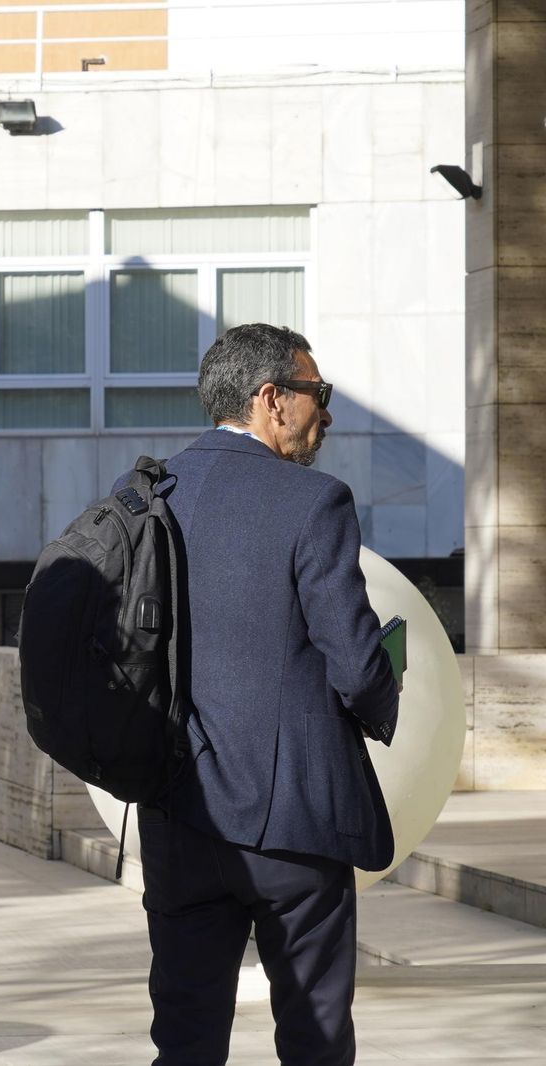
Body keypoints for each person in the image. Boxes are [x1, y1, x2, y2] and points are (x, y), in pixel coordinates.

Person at [135, 323, 399, 1066]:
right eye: (319, 394)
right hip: (297, 825)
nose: (326, 412)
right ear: (271, 399)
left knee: (185, 1041)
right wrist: (385, 705)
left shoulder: (149, 497)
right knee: (314, 1039)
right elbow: (353, 658)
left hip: (178, 813)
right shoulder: (313, 501)